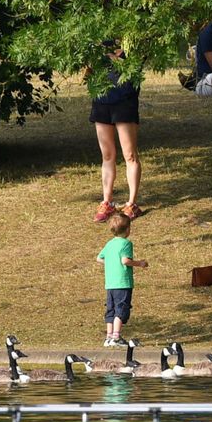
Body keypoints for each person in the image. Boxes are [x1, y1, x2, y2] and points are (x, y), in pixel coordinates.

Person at [90, 39, 143, 222]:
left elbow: (134, 72)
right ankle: (107, 202)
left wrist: (114, 58)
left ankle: (131, 204)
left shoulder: (133, 42)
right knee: (107, 155)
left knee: (130, 155)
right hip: (101, 100)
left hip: (125, 101)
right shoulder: (96, 41)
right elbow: (89, 70)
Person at [96, 212, 147, 346]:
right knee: (121, 308)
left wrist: (111, 263)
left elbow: (99, 258)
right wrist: (140, 263)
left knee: (110, 309)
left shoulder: (110, 244)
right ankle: (116, 337)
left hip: (110, 283)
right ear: (128, 229)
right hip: (122, 282)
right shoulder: (126, 243)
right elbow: (125, 261)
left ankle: (108, 337)